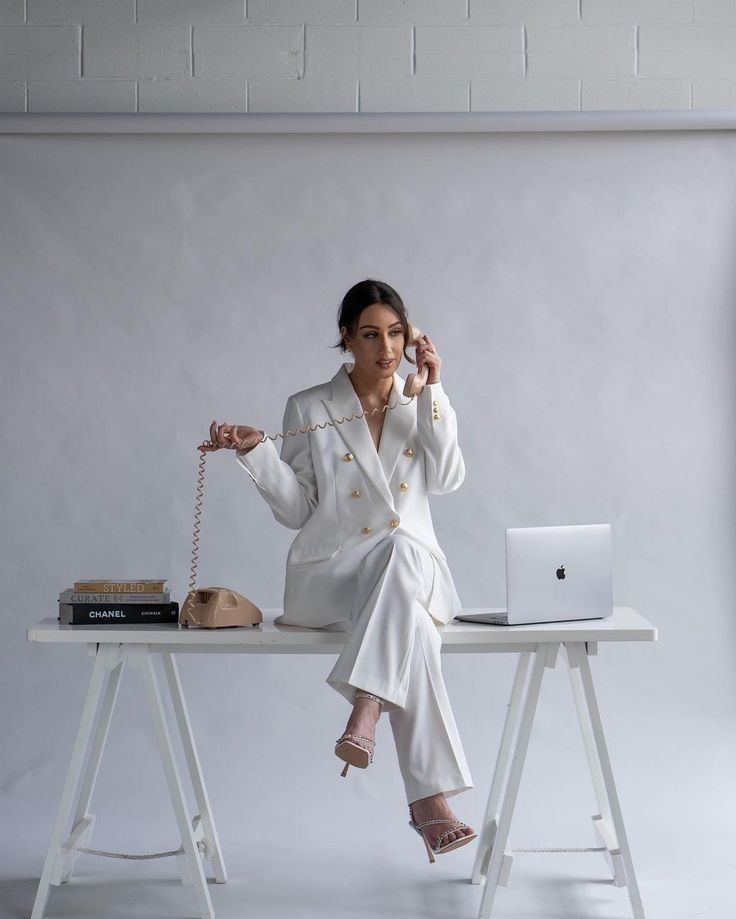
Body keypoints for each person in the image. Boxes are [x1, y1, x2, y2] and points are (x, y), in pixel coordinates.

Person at [208, 279, 476, 863]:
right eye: (372, 334)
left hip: (409, 572)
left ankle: (368, 709)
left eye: (397, 333)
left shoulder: (420, 401)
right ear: (346, 338)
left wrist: (434, 390)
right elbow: (299, 509)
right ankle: (429, 801)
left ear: (412, 337)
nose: (386, 346)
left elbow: (450, 477)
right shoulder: (310, 407)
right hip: (334, 578)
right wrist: (257, 454)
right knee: (416, 634)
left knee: (403, 553)